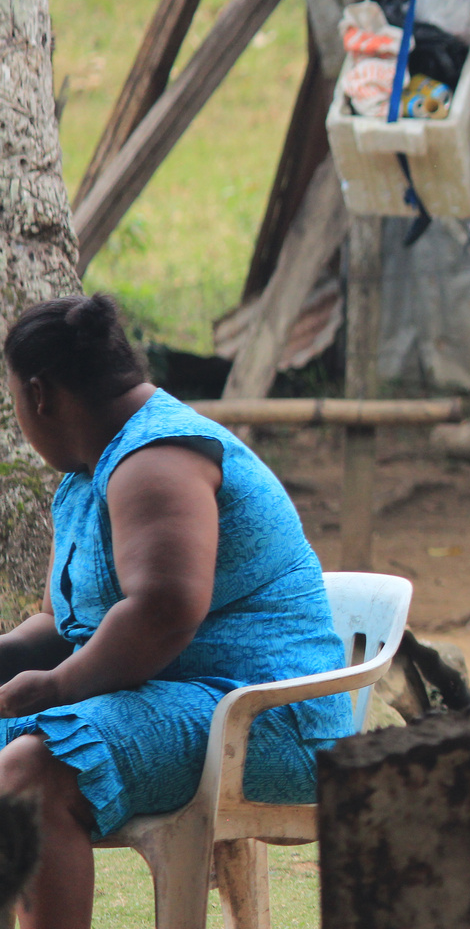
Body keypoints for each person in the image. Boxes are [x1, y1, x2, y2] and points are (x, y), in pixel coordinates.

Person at [0, 295, 352, 929]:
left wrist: (55, 687)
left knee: (34, 770)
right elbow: (61, 624)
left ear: (39, 394)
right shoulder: (88, 475)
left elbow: (163, 612)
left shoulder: (157, 458)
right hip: (172, 700)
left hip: (264, 715)